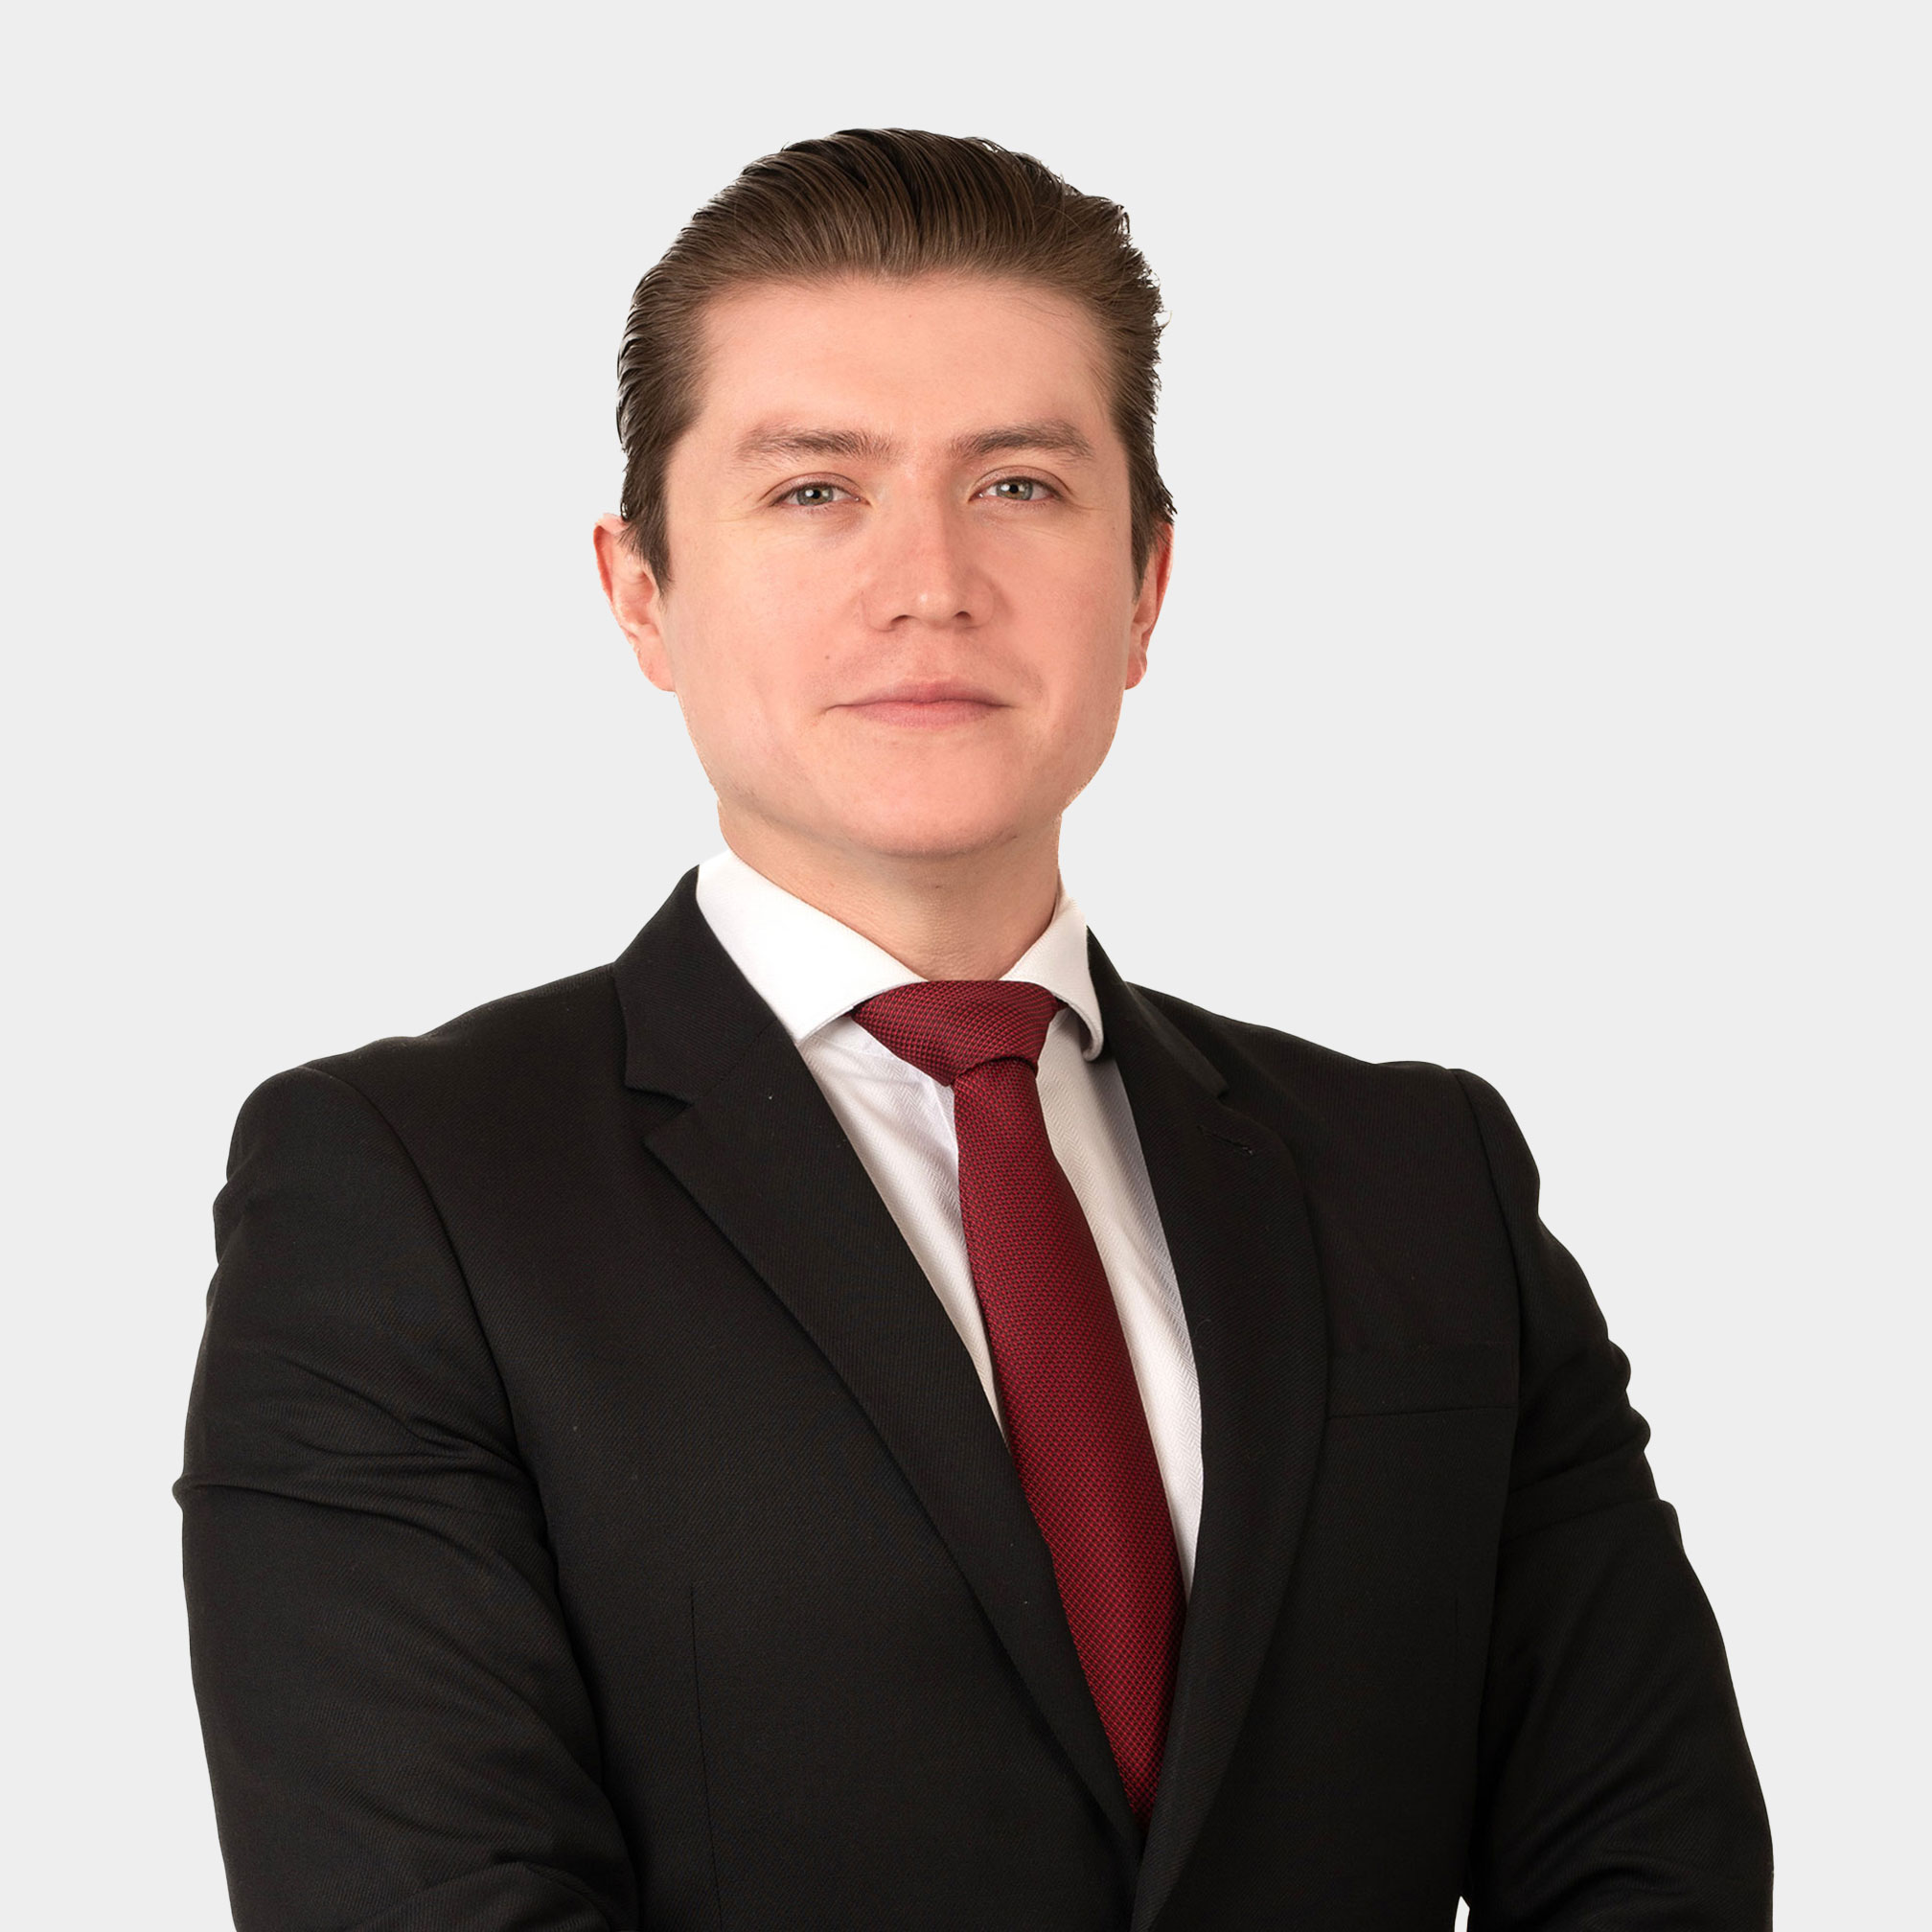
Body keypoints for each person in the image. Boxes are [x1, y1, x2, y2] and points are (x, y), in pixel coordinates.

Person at [177, 128, 1772, 1931]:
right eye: (814, 490)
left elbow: (1649, 1866)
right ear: (641, 593)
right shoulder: (408, 1196)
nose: (928, 580)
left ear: (1146, 584)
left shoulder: (1424, 1178)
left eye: (1019, 484)